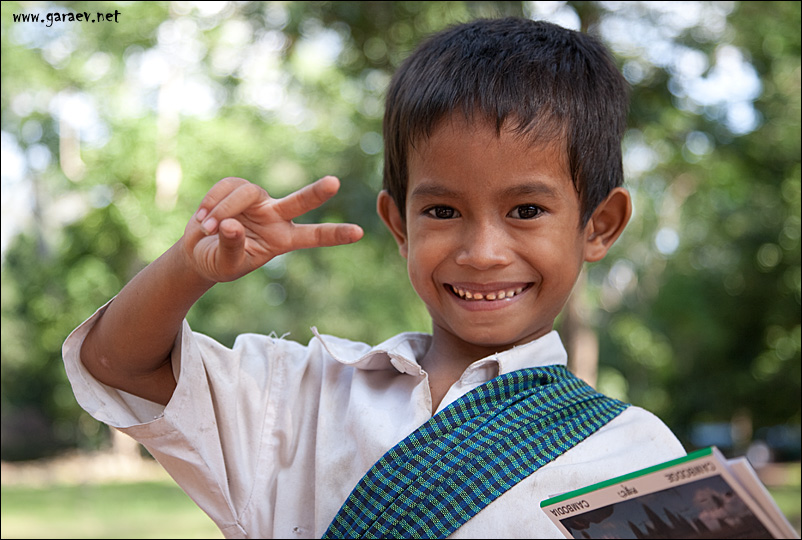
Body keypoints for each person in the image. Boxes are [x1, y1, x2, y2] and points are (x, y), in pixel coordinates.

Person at [63, 16, 686, 539]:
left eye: (526, 211)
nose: (482, 251)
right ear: (399, 224)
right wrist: (185, 268)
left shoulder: (634, 455)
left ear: (599, 225)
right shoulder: (301, 398)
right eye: (442, 212)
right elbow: (118, 364)